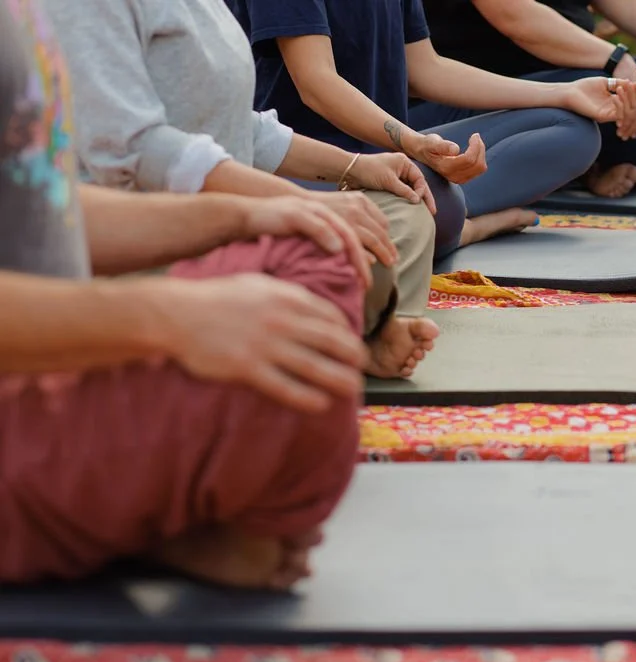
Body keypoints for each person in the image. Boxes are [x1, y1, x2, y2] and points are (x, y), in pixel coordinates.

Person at [0, 0, 372, 588]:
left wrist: (244, 218)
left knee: (315, 251)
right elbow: (135, 147)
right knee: (296, 383)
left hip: (68, 342)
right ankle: (148, 515)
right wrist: (169, 317)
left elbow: (45, 211)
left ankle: (136, 509)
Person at [42, 0, 440, 379]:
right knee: (341, 253)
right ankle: (342, 330)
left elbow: (240, 125)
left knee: (400, 210)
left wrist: (356, 167)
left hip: (229, 217)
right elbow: (135, 148)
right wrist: (301, 204)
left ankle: (351, 331)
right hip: (142, 236)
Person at [224, 0, 636, 252]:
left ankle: (440, 215)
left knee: (573, 130)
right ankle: (463, 225)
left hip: (394, 158)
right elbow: (318, 83)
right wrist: (413, 144)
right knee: (417, 210)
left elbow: (426, 70)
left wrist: (564, 93)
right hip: (312, 165)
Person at [416, 0, 636, 198]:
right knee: (600, 94)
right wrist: (616, 61)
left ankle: (590, 168)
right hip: (477, 98)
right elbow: (516, 18)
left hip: (568, 85)